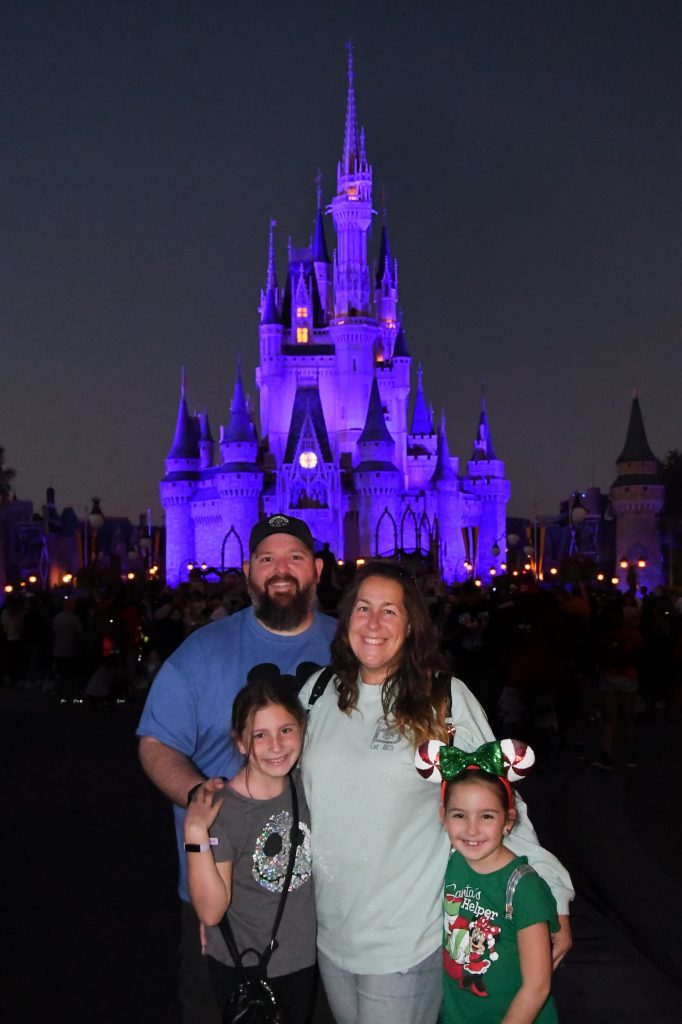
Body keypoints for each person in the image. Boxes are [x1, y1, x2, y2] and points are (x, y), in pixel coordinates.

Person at [299, 562, 573, 1024]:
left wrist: (553, 896)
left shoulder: (443, 699)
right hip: (331, 932)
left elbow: (502, 800)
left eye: (390, 611)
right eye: (363, 608)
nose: (373, 622)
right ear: (346, 619)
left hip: (407, 935)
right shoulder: (318, 692)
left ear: (411, 627)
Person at [137, 514, 336, 1024]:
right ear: (247, 570)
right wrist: (205, 799)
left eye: (294, 557)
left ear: (316, 568)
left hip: (325, 896)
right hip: (220, 891)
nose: (280, 570)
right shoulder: (202, 652)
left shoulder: (350, 648)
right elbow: (157, 744)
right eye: (266, 559)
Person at [185, 671, 316, 1024]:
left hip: (302, 960)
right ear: (240, 743)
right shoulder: (224, 810)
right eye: (260, 735)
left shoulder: (307, 789)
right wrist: (196, 833)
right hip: (243, 966)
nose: (276, 745)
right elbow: (211, 912)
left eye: (286, 730)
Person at [438, 741, 558, 1023]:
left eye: (487, 816)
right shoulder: (453, 864)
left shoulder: (524, 888)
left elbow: (537, 986)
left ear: (508, 820)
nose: (471, 829)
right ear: (443, 817)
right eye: (459, 815)